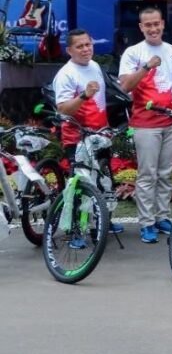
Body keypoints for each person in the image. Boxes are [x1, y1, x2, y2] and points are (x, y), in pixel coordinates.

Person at [119, 6, 172, 243]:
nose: (153, 28)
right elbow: (125, 86)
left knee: (166, 173)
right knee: (147, 174)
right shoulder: (133, 52)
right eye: (148, 25)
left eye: (156, 23)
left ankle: (161, 217)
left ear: (163, 24)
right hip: (145, 123)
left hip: (171, 121)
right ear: (141, 27)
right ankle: (146, 223)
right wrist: (147, 67)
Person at [53, 29, 122, 234]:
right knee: (80, 186)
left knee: (103, 180)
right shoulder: (66, 74)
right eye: (80, 46)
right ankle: (74, 230)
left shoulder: (95, 66)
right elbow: (63, 109)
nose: (85, 49)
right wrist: (84, 95)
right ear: (69, 50)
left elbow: (100, 101)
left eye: (88, 44)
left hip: (100, 135)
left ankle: (101, 222)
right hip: (77, 138)